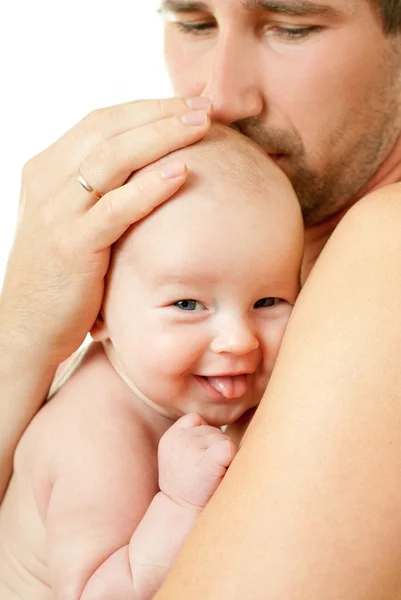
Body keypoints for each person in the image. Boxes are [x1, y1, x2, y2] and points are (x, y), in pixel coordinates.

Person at [1, 0, 401, 597]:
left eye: (292, 27)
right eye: (193, 22)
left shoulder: (385, 248)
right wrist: (24, 333)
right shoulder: (152, 262)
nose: (222, 96)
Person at [0, 125, 304, 600]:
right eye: (187, 305)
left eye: (269, 300)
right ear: (98, 312)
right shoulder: (95, 438)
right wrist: (180, 504)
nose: (238, 340)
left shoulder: (157, 388)